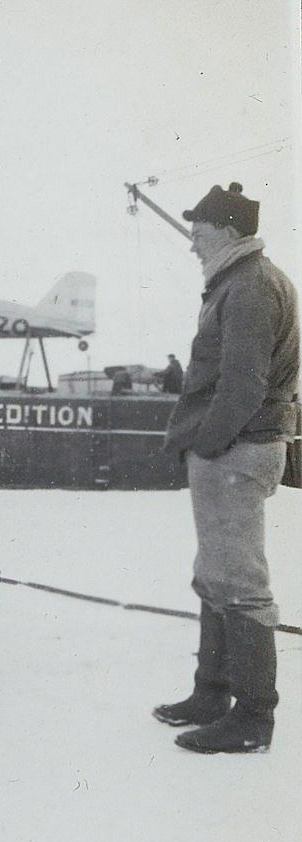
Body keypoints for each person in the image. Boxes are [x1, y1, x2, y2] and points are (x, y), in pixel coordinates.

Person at [153, 182, 299, 754]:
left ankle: (253, 718)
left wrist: (206, 444)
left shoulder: (249, 287)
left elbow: (243, 386)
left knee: (239, 582)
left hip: (234, 450)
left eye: (200, 231)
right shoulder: (243, 282)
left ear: (231, 232)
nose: (192, 242)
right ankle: (211, 693)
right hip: (235, 448)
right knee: (217, 572)